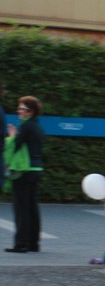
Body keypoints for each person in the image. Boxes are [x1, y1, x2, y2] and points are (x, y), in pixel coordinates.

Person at [5, 96, 45, 253]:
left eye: (21, 109)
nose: (18, 112)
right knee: (32, 207)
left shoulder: (26, 126)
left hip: (24, 171)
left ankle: (21, 243)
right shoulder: (38, 127)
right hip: (36, 170)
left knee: (21, 208)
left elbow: (15, 145)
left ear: (30, 111)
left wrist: (11, 137)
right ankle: (33, 243)